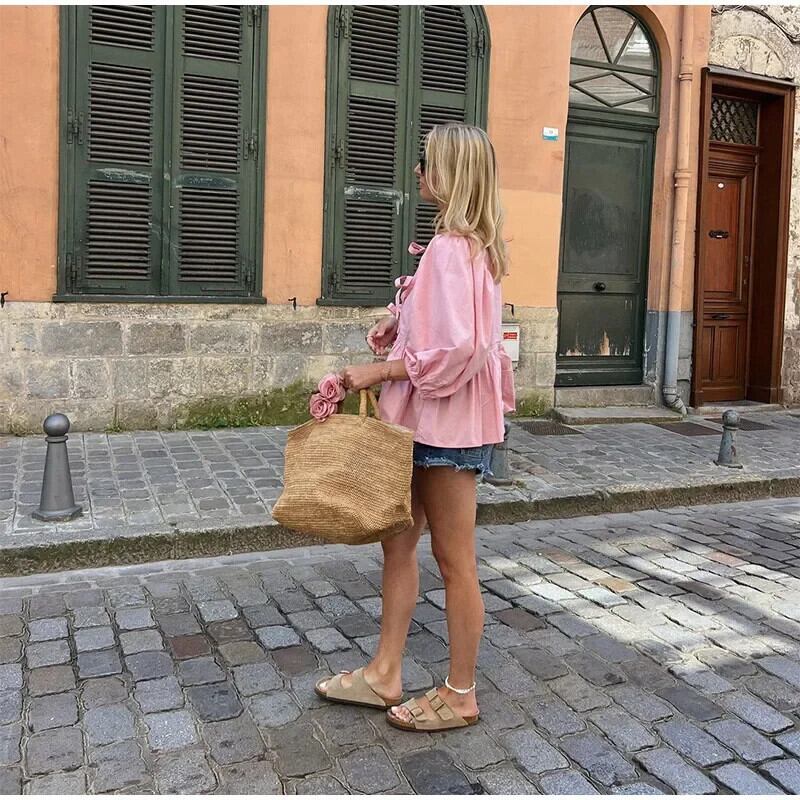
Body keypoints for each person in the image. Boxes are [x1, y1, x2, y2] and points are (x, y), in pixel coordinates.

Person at [316, 122, 515, 732]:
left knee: (454, 559)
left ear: (449, 172)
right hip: (433, 421)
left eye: (425, 160)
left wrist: (377, 370)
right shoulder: (466, 246)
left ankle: (460, 694)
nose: (418, 171)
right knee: (400, 543)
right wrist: (397, 325)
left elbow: (459, 348)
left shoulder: (453, 248)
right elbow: (451, 334)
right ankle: (385, 671)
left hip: (446, 427)